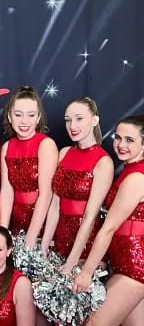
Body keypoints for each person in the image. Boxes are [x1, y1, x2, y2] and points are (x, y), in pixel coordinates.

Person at [73, 114, 144, 326]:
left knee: (95, 323)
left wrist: (86, 273)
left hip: (134, 267)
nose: (121, 145)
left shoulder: (136, 178)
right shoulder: (129, 171)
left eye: (130, 140)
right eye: (118, 137)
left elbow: (109, 228)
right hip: (124, 263)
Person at [41, 97, 113, 274]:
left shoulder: (103, 162)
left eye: (79, 118)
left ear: (94, 120)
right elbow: (55, 205)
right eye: (68, 120)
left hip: (85, 248)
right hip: (58, 241)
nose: (72, 125)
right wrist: (43, 247)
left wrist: (71, 263)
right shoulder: (64, 153)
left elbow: (90, 216)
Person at [0, 86, 58, 247]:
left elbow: (46, 194)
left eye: (31, 115)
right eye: (18, 115)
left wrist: (31, 238)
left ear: (38, 117)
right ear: (10, 117)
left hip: (41, 224)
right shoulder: (7, 147)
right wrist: (3, 232)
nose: (24, 121)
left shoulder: (45, 145)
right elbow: (6, 191)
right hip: (17, 223)